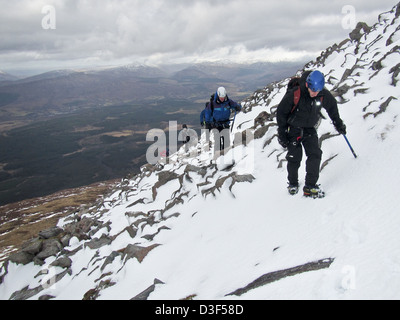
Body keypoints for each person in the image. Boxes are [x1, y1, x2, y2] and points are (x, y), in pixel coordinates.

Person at [277, 70, 347, 198]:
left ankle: (310, 186)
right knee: (294, 157)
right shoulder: (295, 94)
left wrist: (338, 123)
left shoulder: (322, 93)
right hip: (294, 128)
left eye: (318, 90)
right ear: (308, 85)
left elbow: (332, 107)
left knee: (315, 154)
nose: (315, 93)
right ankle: (292, 184)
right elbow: (281, 113)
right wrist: (282, 134)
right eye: (313, 90)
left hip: (309, 128)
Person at [208, 87, 241, 151]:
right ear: (218, 95)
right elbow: (208, 113)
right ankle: (217, 158)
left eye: (223, 97)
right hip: (216, 125)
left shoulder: (228, 101)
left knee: (226, 143)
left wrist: (238, 107)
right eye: (221, 98)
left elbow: (236, 105)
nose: (222, 99)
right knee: (218, 143)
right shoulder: (212, 103)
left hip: (225, 124)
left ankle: (226, 157)